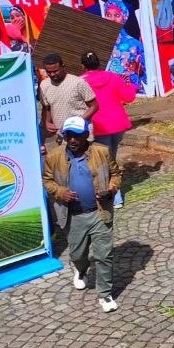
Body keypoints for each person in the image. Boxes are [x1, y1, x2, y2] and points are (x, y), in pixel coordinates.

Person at [43, 116, 121, 312]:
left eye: (77, 136)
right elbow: (48, 180)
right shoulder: (54, 157)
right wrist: (60, 192)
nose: (72, 140)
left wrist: (110, 190)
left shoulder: (102, 152)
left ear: (87, 135)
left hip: (99, 212)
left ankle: (105, 294)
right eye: (68, 136)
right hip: (73, 216)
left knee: (104, 255)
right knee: (78, 254)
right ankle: (81, 269)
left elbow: (116, 174)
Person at [79, 51, 135, 208]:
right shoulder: (113, 77)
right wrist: (131, 85)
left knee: (104, 161)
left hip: (98, 126)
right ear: (100, 63)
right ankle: (112, 194)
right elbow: (129, 97)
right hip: (117, 124)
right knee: (111, 157)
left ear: (83, 66)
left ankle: (114, 197)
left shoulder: (80, 82)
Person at [40, 53, 99, 139]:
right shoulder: (44, 85)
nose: (52, 74)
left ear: (63, 67)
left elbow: (94, 106)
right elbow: (47, 107)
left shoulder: (78, 82)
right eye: (49, 72)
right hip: (61, 133)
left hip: (81, 132)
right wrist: (47, 122)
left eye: (55, 71)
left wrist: (77, 122)